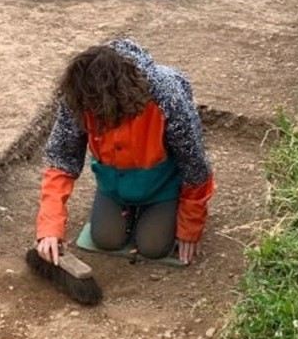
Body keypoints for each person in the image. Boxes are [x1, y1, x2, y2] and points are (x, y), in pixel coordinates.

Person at [28, 39, 215, 304]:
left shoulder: (165, 95)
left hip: (161, 184)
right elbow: (62, 160)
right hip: (114, 184)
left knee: (154, 247)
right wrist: (49, 227)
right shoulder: (79, 95)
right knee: (105, 239)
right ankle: (127, 207)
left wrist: (190, 227)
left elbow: (195, 167)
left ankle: (159, 208)